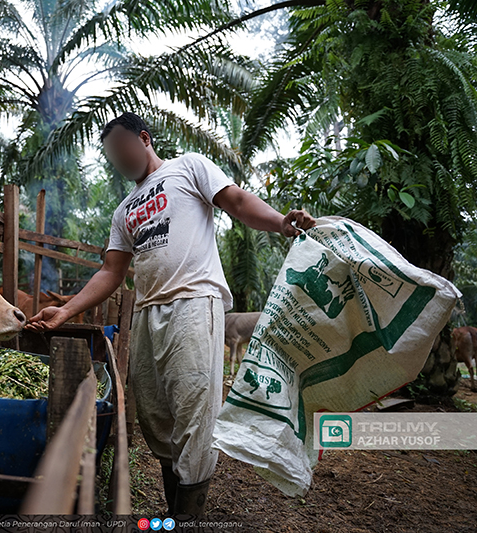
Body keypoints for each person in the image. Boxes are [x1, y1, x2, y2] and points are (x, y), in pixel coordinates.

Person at [25, 112, 316, 515]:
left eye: (122, 148)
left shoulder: (189, 168)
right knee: (156, 417)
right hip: (147, 314)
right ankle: (173, 506)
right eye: (112, 156)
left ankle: (188, 516)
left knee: (194, 410)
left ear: (144, 139)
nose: (119, 160)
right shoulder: (124, 211)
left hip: (194, 303)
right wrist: (66, 310)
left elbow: (237, 202)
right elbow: (112, 271)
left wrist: (281, 222)